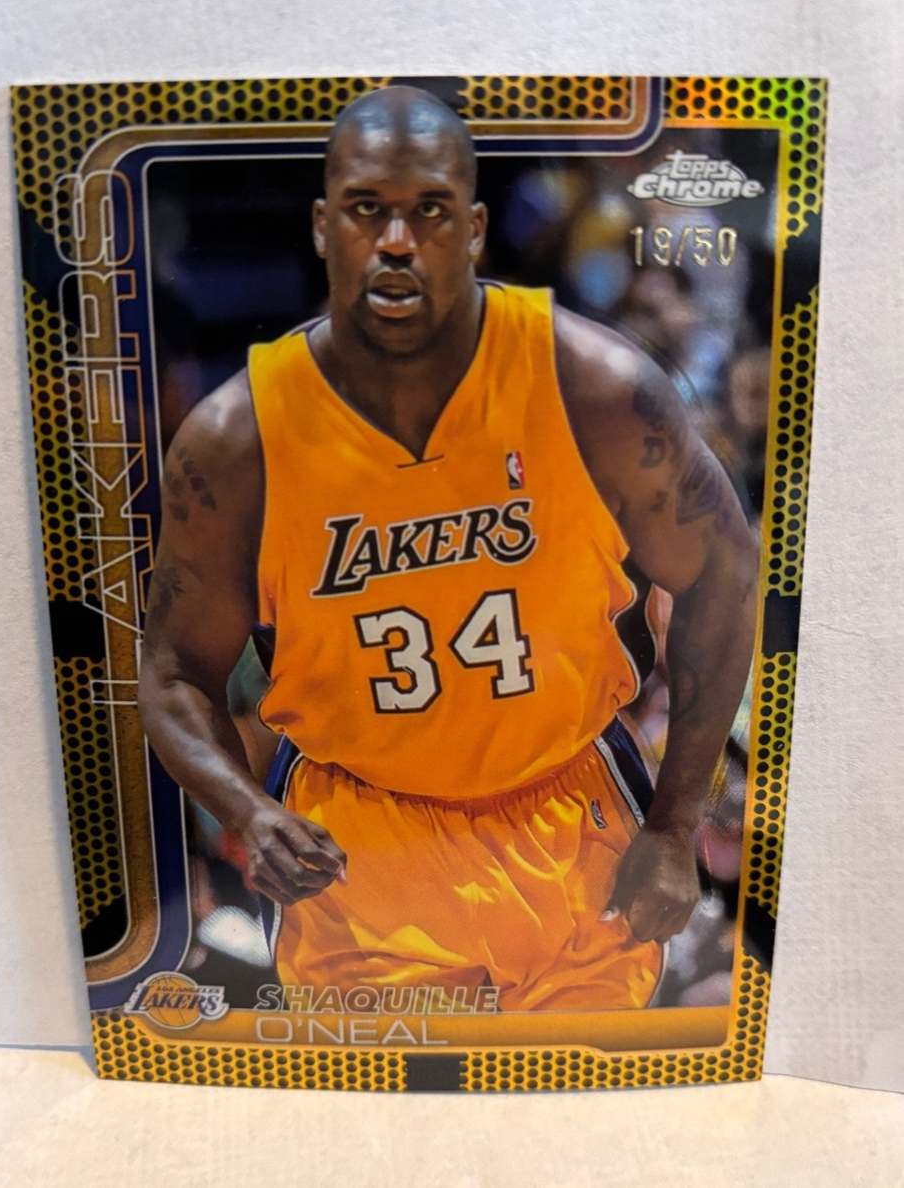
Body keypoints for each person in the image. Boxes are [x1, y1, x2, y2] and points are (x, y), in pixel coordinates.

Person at [138, 86, 758, 1012]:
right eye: (366, 209)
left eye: (429, 210)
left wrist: (673, 826)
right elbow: (173, 670)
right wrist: (247, 810)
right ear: (322, 228)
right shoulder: (239, 440)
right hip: (359, 849)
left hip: (569, 814)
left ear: (472, 230)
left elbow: (724, 575)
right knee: (397, 1110)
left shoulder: (592, 387)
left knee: (575, 1104)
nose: (397, 239)